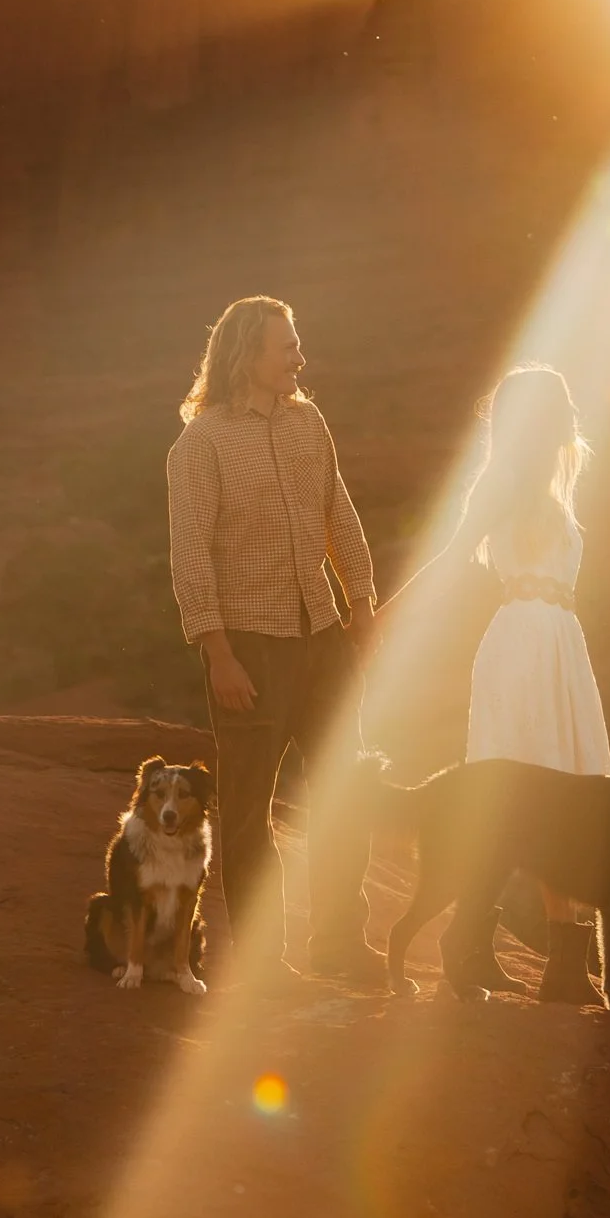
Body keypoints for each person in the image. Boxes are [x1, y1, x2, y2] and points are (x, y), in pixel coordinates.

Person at [166, 295, 381, 987]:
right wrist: (216, 651)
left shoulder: (307, 423)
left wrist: (362, 600)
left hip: (318, 635)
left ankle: (338, 943)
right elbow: (190, 556)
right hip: (248, 649)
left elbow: (336, 513)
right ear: (244, 358)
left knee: (345, 792)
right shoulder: (200, 445)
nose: (299, 358)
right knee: (249, 812)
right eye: (285, 347)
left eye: (297, 345)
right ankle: (266, 967)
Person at [400, 361, 610, 1002]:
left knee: (569, 795)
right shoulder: (500, 483)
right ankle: (472, 945)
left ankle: (561, 965)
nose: (572, 415)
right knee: (517, 796)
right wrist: (389, 620)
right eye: (560, 406)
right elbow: (451, 551)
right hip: (519, 645)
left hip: (561, 647)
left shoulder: (555, 486)